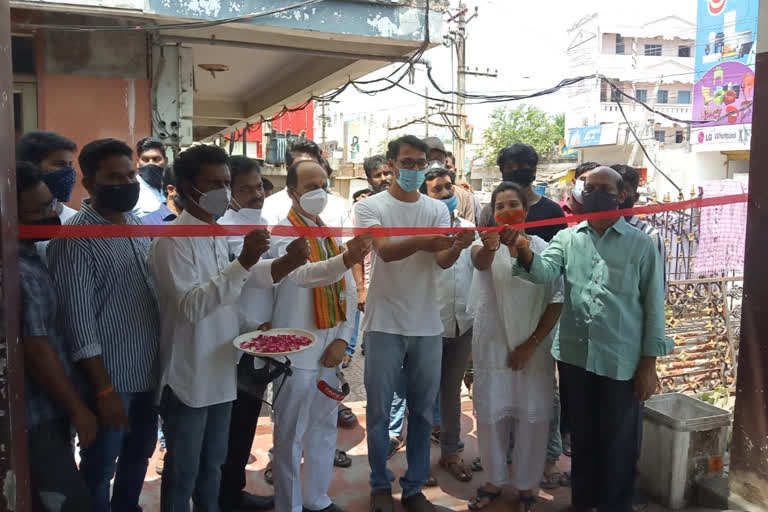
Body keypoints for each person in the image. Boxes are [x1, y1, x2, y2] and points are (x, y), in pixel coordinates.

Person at [148, 144, 308, 511]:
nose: (222, 190)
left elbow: (230, 295)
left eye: (225, 181)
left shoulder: (215, 233)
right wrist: (248, 260)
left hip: (222, 371)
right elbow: (192, 307)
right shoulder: (172, 241)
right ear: (188, 187)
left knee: (214, 469)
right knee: (183, 474)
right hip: (188, 377)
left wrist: (255, 329)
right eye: (214, 183)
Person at [512, 166, 666, 512]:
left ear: (621, 196)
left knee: (619, 442)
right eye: (589, 187)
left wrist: (648, 365)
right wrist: (520, 246)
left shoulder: (642, 244)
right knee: (582, 438)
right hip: (574, 358)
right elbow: (542, 273)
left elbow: (654, 307)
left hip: (621, 361)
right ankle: (585, 503)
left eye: (605, 189)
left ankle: (615, 505)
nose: (595, 193)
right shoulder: (568, 239)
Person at [355, 135, 474, 512]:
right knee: (378, 410)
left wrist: (457, 246)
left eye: (420, 163)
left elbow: (441, 261)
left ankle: (413, 487)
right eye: (406, 163)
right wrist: (428, 241)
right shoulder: (370, 207)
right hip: (384, 322)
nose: (414, 170)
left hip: (426, 324)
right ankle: (379, 483)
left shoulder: (436, 209)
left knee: (423, 412)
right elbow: (385, 252)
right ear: (390, 165)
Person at [47, 138, 161, 512]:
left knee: (139, 456)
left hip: (148, 371)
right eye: (115, 177)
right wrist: (104, 389)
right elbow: (79, 325)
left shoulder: (136, 223)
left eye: (130, 174)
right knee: (99, 469)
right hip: (110, 381)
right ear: (90, 183)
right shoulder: (75, 239)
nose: (127, 182)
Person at [271, 159, 372, 512]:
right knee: (289, 437)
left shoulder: (327, 233)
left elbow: (345, 290)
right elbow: (302, 276)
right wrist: (347, 259)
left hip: (329, 351)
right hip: (294, 354)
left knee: (323, 430)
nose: (319, 192)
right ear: (291, 192)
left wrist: (344, 339)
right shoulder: (281, 233)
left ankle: (317, 499)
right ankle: (290, 505)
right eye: (310, 186)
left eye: (323, 184)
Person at [466, 182, 564, 512]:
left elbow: (557, 300)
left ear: (527, 210)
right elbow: (480, 263)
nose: (507, 210)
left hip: (533, 349)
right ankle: (493, 480)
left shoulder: (545, 249)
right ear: (492, 214)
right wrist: (491, 246)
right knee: (491, 417)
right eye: (500, 206)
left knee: (534, 420)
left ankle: (527, 486)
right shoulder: (484, 247)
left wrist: (531, 344)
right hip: (492, 346)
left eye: (513, 204)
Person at [17, 162, 97, 512]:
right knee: (64, 501)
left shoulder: (33, 256)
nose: (51, 214)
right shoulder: (18, 272)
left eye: (51, 204)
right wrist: (78, 409)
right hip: (37, 416)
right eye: (37, 210)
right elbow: (37, 350)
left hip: (52, 410)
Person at [217, 155, 276, 512]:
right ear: (229, 191)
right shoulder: (221, 227)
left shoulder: (264, 222)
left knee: (245, 425)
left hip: (259, 342)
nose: (257, 195)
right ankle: (219, 497)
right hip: (229, 343)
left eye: (260, 187)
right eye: (247, 188)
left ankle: (233, 493)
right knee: (226, 429)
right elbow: (244, 279)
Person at [420, 168, 476, 483]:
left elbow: (477, 269)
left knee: (451, 393)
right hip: (428, 324)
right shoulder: (420, 231)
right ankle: (419, 463)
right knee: (423, 394)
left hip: (462, 323)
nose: (444, 194)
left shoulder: (469, 228)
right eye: (436, 189)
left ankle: (451, 454)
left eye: (447, 187)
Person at [480, 143, 567, 242]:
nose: (515, 171)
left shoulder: (553, 211)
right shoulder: (489, 211)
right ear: (502, 172)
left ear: (533, 170)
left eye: (521, 166)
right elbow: (481, 247)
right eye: (509, 167)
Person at [16, 130, 79, 261]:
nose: (69, 172)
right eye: (60, 164)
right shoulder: (15, 222)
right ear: (31, 166)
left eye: (70, 164)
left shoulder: (76, 220)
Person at [262, 139, 349, 228]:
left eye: (313, 165)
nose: (308, 170)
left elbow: (347, 240)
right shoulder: (270, 207)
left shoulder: (338, 206)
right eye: (302, 165)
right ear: (288, 170)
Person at [610, 164, 667, 285]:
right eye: (612, 190)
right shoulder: (596, 232)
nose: (619, 196)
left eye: (624, 191)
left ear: (635, 197)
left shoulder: (650, 237)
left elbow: (657, 289)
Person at [341, 187, 374, 369]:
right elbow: (352, 249)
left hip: (382, 283)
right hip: (359, 275)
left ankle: (366, 345)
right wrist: (361, 287)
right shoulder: (358, 213)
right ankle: (348, 349)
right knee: (354, 312)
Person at [423, 136, 481, 223]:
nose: (435, 164)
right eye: (429, 160)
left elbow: (470, 230)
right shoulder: (412, 195)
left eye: (439, 160)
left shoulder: (464, 196)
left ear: (445, 161)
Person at [134, 137, 169, 216]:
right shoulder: (131, 190)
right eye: (145, 160)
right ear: (137, 163)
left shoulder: (174, 187)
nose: (151, 164)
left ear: (166, 161)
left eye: (156, 159)